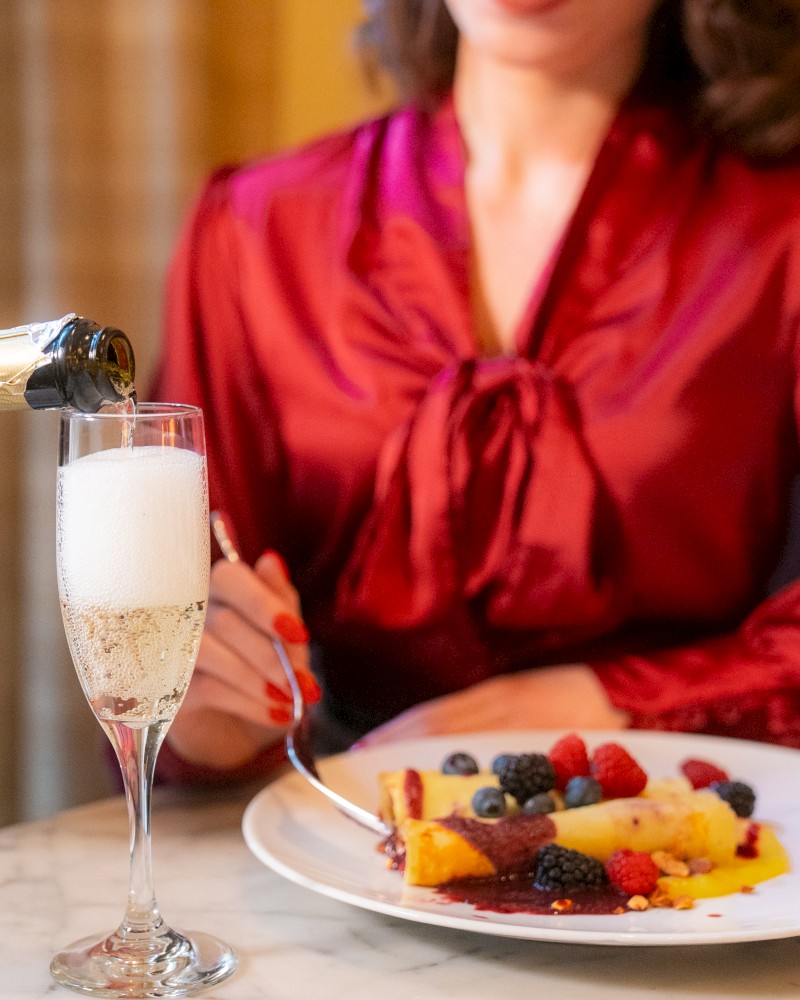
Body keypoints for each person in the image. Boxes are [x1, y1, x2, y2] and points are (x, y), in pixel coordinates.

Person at [150, 0, 800, 781]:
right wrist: (204, 720)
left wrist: (623, 699)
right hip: (337, 833)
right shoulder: (255, 229)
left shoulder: (780, 228)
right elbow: (176, 638)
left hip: (700, 842)